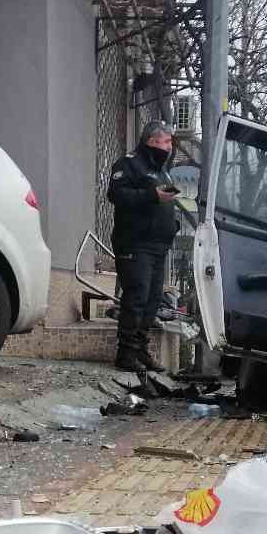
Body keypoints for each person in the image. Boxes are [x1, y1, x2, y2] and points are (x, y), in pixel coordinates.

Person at [106, 120, 183, 373]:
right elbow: (116, 194)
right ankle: (126, 354)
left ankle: (140, 350)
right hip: (135, 242)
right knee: (136, 296)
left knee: (151, 301)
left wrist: (172, 224)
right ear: (152, 140)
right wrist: (152, 195)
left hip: (158, 246)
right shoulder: (129, 163)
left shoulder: (162, 170)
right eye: (166, 141)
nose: (169, 147)